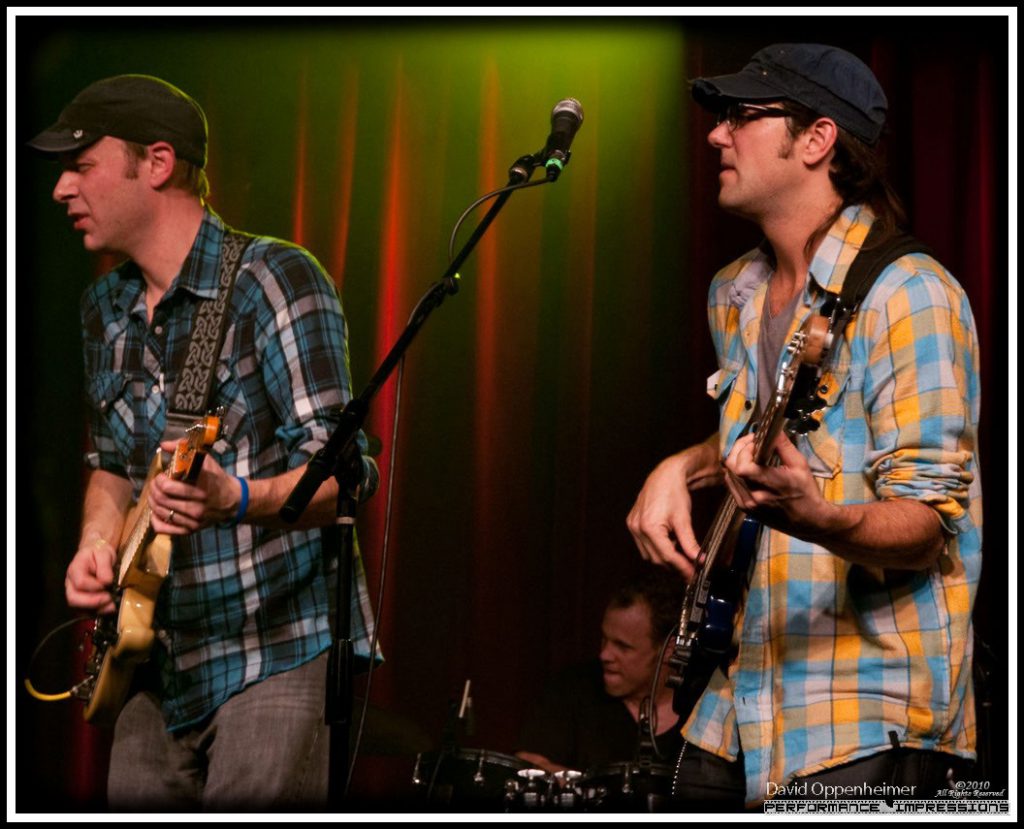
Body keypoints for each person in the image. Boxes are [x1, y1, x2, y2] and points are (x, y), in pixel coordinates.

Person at [626, 44, 981, 809]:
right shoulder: (737, 293)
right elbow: (763, 435)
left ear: (817, 140)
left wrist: (816, 516)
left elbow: (927, 524)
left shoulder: (910, 295)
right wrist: (679, 467)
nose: (717, 135)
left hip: (864, 710)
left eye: (742, 117)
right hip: (738, 698)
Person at [28, 74, 380, 811]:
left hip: (275, 652)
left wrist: (235, 497)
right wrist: (94, 543)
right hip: (153, 664)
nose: (60, 187)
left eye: (82, 164)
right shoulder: (103, 308)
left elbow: (348, 478)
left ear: (156, 163)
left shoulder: (274, 279)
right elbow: (111, 468)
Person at [514, 566, 686, 775]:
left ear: (669, 649)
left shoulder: (702, 705)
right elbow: (528, 762)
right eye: (604, 639)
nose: (605, 654)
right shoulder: (572, 688)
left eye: (622, 646)